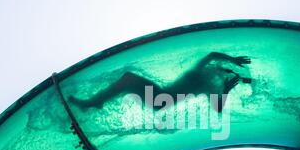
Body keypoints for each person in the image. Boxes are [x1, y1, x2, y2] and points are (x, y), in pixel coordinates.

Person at [69, 52, 252, 113]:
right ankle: (97, 101)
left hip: (162, 99)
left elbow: (218, 109)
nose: (217, 69)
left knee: (128, 78)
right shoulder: (203, 73)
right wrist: (233, 60)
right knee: (127, 79)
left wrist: (226, 91)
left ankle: (95, 102)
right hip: (160, 96)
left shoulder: (209, 86)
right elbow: (212, 55)